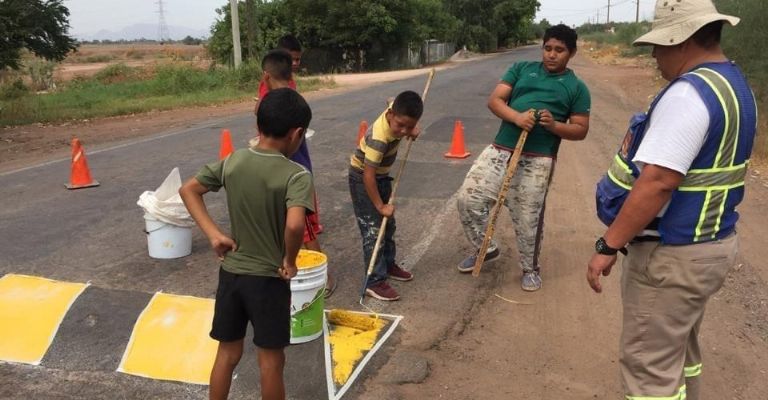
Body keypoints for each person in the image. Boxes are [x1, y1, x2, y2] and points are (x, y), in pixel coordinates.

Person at [588, 1, 757, 399]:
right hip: (711, 244)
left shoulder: (687, 94)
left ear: (681, 41)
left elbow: (658, 182)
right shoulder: (735, 85)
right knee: (680, 351)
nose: (653, 55)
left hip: (673, 255)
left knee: (648, 370)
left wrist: (607, 245)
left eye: (659, 45)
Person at [180, 88, 314, 400]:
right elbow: (295, 224)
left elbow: (189, 190)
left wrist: (215, 234)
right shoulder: (297, 174)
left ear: (259, 125)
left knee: (227, 354)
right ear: (297, 134)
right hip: (268, 281)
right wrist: (290, 261)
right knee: (271, 361)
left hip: (232, 275)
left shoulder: (235, 160)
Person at [456, 24, 591, 291]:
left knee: (527, 218)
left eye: (560, 50)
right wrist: (517, 117)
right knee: (468, 199)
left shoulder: (577, 88)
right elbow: (495, 101)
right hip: (499, 150)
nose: (552, 54)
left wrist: (554, 126)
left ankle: (530, 268)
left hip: (538, 159)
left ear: (571, 53)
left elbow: (580, 130)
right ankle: (485, 247)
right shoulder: (520, 69)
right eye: (548, 48)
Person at [255, 41, 336, 297]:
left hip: (291, 173)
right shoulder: (294, 100)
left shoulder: (269, 103)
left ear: (266, 76)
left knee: (304, 228)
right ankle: (287, 270)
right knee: (297, 226)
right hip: (294, 170)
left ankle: (322, 277)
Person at [349, 90, 423, 301]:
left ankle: (388, 265)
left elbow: (391, 99)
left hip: (381, 177)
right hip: (363, 179)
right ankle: (374, 280)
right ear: (390, 116)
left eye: (409, 126)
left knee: (388, 225)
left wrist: (411, 129)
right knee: (374, 230)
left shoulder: (395, 110)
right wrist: (380, 205)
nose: (403, 131)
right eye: (400, 125)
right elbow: (368, 175)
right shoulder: (378, 139)